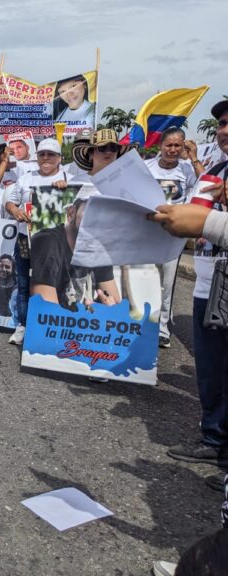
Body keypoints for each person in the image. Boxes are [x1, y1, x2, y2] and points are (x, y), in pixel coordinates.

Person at [147, 98, 228, 481]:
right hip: (209, 286)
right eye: (222, 123)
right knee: (211, 372)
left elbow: (201, 221)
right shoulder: (215, 171)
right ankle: (215, 441)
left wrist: (207, 220)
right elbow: (191, 220)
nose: (225, 130)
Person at [4, 138, 72, 344]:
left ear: (60, 158)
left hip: (56, 244)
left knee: (56, 282)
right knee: (24, 282)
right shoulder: (25, 178)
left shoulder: (68, 178)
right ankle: (23, 325)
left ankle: (54, 326)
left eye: (51, 154)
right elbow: (10, 203)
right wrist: (15, 211)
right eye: (42, 154)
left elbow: (79, 208)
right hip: (26, 239)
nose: (46, 158)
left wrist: (66, 191)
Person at [144, 126, 199, 348]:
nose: (173, 149)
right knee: (146, 280)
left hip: (173, 237)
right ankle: (143, 323)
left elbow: (203, 186)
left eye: (178, 145)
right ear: (161, 145)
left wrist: (194, 158)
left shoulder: (187, 170)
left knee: (167, 285)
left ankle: (162, 329)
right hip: (147, 234)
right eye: (169, 145)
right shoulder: (147, 167)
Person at [30, 190, 120, 312]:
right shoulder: (47, 243)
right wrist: (95, 315)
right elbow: (47, 312)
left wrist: (104, 310)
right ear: (71, 213)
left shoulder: (98, 250)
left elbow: (115, 307)